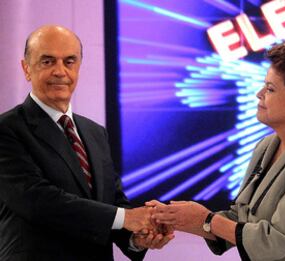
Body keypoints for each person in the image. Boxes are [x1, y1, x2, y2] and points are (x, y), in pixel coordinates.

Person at [150, 40, 285, 261]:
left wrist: (205, 219)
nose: (259, 94)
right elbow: (240, 219)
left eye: (270, 89)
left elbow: (273, 242)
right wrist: (176, 218)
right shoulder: (267, 145)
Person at [0, 25, 173, 261]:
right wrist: (128, 218)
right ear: (26, 68)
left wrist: (136, 238)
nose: (60, 71)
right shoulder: (7, 129)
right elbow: (38, 201)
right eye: (48, 61)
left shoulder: (95, 132)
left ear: (79, 67)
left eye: (69, 61)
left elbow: (113, 202)